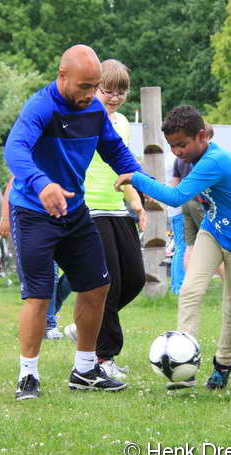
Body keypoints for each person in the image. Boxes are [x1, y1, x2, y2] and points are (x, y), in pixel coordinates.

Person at [4, 44, 146, 400]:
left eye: (94, 86)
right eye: (84, 86)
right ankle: (28, 376)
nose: (90, 94)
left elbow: (114, 150)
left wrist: (140, 179)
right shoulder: (41, 107)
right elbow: (15, 150)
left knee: (97, 286)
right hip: (34, 212)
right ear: (62, 76)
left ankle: (85, 369)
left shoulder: (94, 110)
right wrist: (42, 184)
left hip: (75, 212)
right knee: (39, 295)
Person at [115, 105, 231, 391]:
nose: (177, 152)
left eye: (181, 144)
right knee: (190, 291)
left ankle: (223, 365)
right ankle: (185, 366)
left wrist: (136, 177)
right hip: (213, 231)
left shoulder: (214, 161)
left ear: (201, 136)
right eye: (172, 146)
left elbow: (176, 196)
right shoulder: (206, 157)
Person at [78, 59, 146, 378]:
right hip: (90, 208)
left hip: (117, 208)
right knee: (110, 284)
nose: (115, 97)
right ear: (95, 89)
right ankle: (104, 358)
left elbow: (123, 167)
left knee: (135, 279)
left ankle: (86, 322)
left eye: (122, 91)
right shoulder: (83, 119)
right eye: (109, 90)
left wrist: (137, 203)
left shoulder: (122, 123)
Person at [0, 177, 70, 339]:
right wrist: (5, 217)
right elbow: (12, 183)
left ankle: (44, 315)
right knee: (49, 274)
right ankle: (49, 324)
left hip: (67, 217)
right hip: (35, 219)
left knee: (80, 271)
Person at [174, 123, 225, 281]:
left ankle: (189, 283)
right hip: (199, 203)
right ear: (203, 137)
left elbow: (176, 182)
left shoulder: (179, 159)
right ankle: (228, 281)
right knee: (215, 245)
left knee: (190, 246)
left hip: (185, 203)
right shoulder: (203, 159)